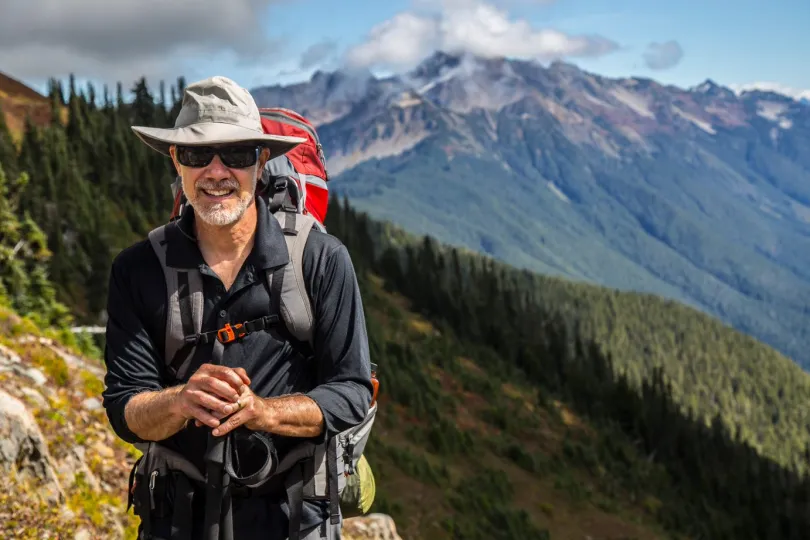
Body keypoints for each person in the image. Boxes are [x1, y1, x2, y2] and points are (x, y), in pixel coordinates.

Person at [101, 75, 373, 540]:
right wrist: (181, 400)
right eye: (196, 154)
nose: (216, 171)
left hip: (293, 516)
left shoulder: (320, 259)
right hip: (176, 518)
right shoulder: (137, 270)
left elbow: (352, 391)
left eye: (237, 154)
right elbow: (124, 406)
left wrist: (263, 411)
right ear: (176, 160)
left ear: (261, 160)